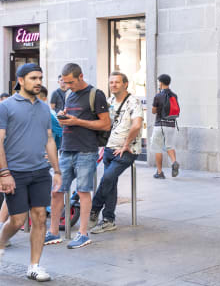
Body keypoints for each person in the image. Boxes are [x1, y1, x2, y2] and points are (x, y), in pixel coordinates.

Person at [0, 63, 61, 281]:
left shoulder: (44, 107)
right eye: (33, 78)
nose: (38, 82)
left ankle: (34, 266)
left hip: (40, 171)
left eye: (40, 78)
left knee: (39, 218)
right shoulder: (6, 106)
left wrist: (57, 170)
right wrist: (4, 173)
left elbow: (49, 139)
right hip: (15, 171)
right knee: (17, 220)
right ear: (21, 80)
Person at [45, 63, 111, 249]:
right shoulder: (68, 94)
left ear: (81, 76)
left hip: (86, 150)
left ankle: (83, 234)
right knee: (57, 191)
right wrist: (63, 117)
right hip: (66, 148)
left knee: (83, 191)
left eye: (71, 82)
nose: (67, 86)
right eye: (64, 82)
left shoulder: (95, 94)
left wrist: (77, 121)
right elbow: (70, 118)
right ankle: (53, 232)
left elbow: (105, 124)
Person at [88, 72, 144, 234]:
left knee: (108, 178)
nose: (113, 85)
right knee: (110, 183)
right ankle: (108, 220)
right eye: (111, 82)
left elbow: (136, 125)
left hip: (126, 150)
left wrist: (126, 144)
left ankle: (94, 209)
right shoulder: (109, 101)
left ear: (125, 84)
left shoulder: (134, 102)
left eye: (117, 82)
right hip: (109, 148)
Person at [151, 74, 180, 179]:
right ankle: (174, 162)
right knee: (170, 146)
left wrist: (157, 107)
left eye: (159, 82)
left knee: (158, 148)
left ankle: (159, 172)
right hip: (171, 125)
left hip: (160, 125)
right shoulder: (174, 95)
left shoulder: (158, 96)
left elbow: (153, 111)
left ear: (161, 83)